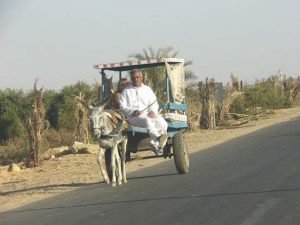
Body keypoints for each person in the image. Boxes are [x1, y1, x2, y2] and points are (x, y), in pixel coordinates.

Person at [119, 69, 168, 156]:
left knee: (162, 122)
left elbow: (154, 102)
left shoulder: (147, 89)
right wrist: (133, 111)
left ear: (142, 78)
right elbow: (122, 107)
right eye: (133, 78)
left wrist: (152, 111)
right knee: (147, 121)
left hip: (147, 114)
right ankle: (158, 138)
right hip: (133, 117)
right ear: (131, 79)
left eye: (138, 77)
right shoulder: (126, 91)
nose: (136, 79)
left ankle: (155, 143)